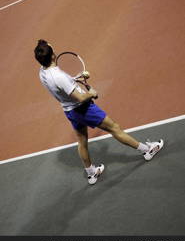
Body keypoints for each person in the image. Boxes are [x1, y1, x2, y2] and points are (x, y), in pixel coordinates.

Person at [34, 39, 164, 185]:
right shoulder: (59, 77)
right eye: (53, 49)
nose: (55, 49)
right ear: (52, 56)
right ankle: (147, 150)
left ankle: (91, 173)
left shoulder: (42, 71)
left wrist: (76, 78)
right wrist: (92, 93)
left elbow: (62, 86)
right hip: (83, 109)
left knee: (82, 141)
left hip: (70, 111)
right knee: (114, 128)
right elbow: (81, 96)